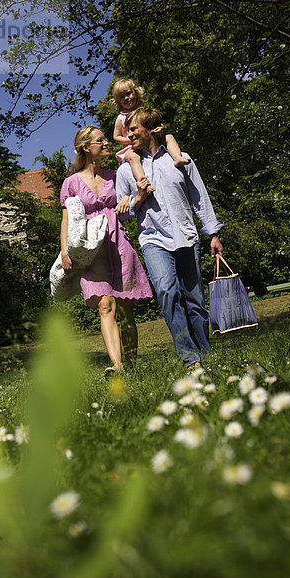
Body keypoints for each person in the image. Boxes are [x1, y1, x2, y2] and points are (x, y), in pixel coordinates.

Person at [115, 107, 224, 370]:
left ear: (152, 129)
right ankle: (189, 358)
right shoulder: (126, 171)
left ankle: (205, 354)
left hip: (186, 236)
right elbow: (122, 215)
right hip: (153, 239)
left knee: (194, 299)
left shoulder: (181, 160)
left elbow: (200, 197)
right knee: (166, 291)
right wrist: (139, 197)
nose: (128, 135)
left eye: (134, 129)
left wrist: (213, 233)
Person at [60, 125, 153, 375]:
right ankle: (119, 366)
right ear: (85, 147)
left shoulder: (117, 175)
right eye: (100, 140)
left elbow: (137, 195)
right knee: (105, 305)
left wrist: (129, 199)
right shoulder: (71, 183)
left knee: (126, 311)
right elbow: (67, 219)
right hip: (91, 251)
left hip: (118, 244)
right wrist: (65, 251)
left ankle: (131, 366)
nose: (105, 143)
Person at [112, 78, 190, 192]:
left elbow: (155, 125)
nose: (127, 98)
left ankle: (177, 157)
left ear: (135, 93)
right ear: (118, 101)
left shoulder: (144, 111)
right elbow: (116, 137)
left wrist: (160, 129)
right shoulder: (121, 118)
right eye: (122, 97)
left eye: (128, 93)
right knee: (133, 157)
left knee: (169, 137)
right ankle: (142, 181)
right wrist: (130, 140)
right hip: (131, 147)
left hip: (149, 142)